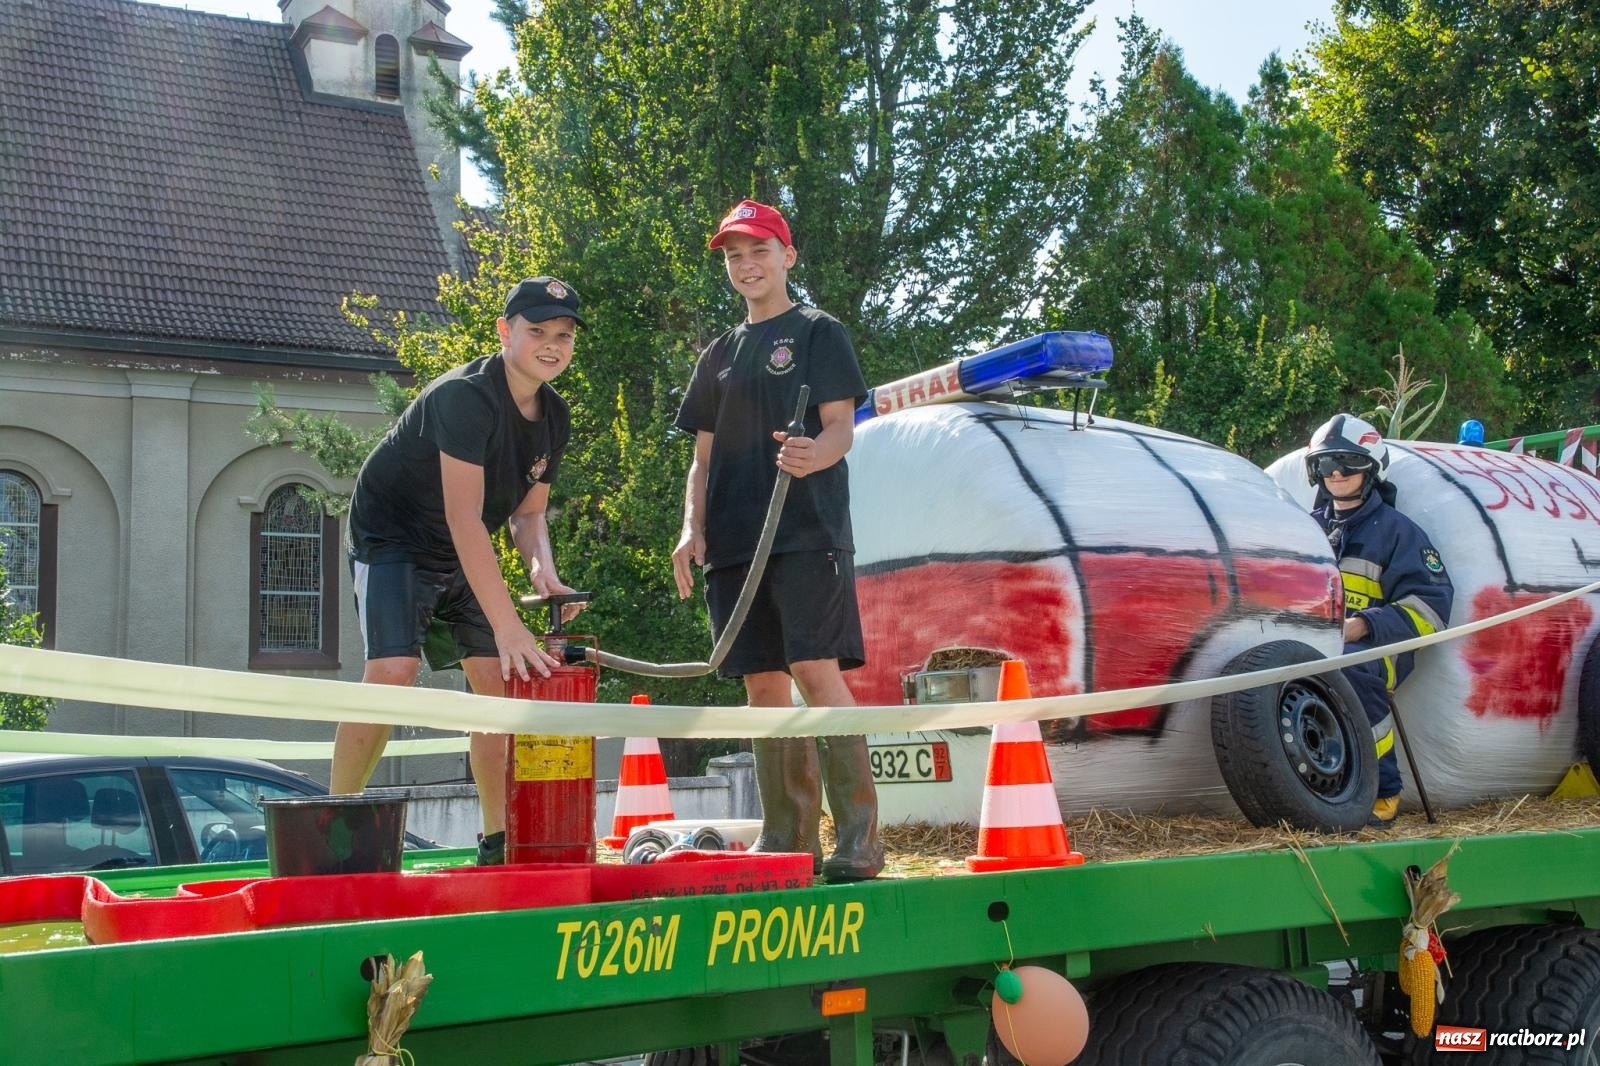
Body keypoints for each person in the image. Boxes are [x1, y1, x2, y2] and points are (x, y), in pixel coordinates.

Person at [335, 277, 586, 866]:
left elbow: (527, 515)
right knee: (393, 670)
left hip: (461, 547)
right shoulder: (464, 397)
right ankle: (335, 830)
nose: (551, 344)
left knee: (498, 690)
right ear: (504, 332)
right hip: (395, 539)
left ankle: (498, 842)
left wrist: (542, 573)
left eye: (563, 335)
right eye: (537, 332)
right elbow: (464, 516)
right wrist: (508, 627)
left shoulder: (555, 415)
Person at [671, 199, 884, 882]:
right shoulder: (720, 354)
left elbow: (840, 431)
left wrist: (810, 456)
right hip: (733, 542)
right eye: (734, 255)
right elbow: (701, 457)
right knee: (761, 685)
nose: (745, 265)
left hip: (804, 533)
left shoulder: (820, 332)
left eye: (759, 250)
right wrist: (689, 527)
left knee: (816, 673)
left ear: (787, 256)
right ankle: (788, 838)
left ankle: (859, 839)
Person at [1304, 414, 1454, 828]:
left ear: (1371, 467)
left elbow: (1432, 605)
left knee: (1352, 669)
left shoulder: (1398, 532)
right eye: (1325, 463)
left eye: (1347, 462)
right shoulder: (1306, 528)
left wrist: (1365, 625)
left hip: (1379, 647)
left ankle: (1383, 790)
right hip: (1311, 640)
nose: (1335, 473)